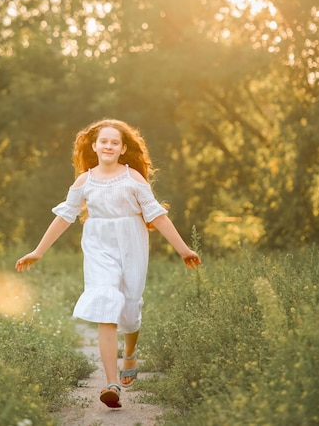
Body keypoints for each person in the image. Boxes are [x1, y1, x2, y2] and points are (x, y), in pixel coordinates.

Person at [15, 119, 201, 409]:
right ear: (94, 146)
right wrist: (38, 251)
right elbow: (64, 216)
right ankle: (111, 383)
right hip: (98, 245)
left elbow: (156, 216)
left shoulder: (134, 179)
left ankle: (130, 351)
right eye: (104, 141)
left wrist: (183, 249)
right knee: (106, 302)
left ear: (123, 148)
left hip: (132, 243)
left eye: (115, 142)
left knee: (129, 309)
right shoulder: (84, 181)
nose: (109, 146)